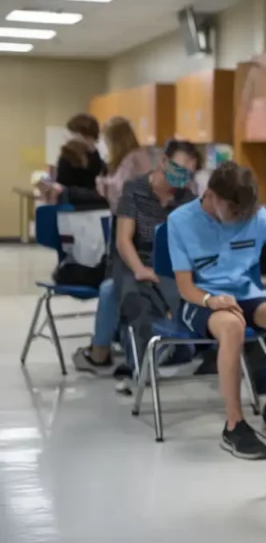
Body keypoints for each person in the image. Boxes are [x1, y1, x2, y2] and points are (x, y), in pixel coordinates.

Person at [167, 161, 266, 460]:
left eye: (245, 213)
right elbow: (185, 286)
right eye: (234, 212)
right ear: (211, 195)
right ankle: (234, 423)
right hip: (200, 299)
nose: (241, 219)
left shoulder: (255, 215)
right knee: (232, 326)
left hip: (245, 296)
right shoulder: (180, 222)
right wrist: (212, 300)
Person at [73, 140, 202, 375]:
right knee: (114, 290)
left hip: (168, 268)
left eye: (188, 174)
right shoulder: (135, 190)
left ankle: (160, 349)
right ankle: (105, 353)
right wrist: (140, 269)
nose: (182, 178)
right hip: (132, 263)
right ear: (163, 162)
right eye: (179, 169)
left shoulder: (188, 199)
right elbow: (123, 240)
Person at [72, 118, 152, 375]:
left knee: (111, 287)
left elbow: (120, 191)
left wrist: (104, 185)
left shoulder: (135, 162)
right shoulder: (132, 160)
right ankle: (104, 345)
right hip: (131, 239)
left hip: (140, 245)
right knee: (112, 282)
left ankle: (100, 352)